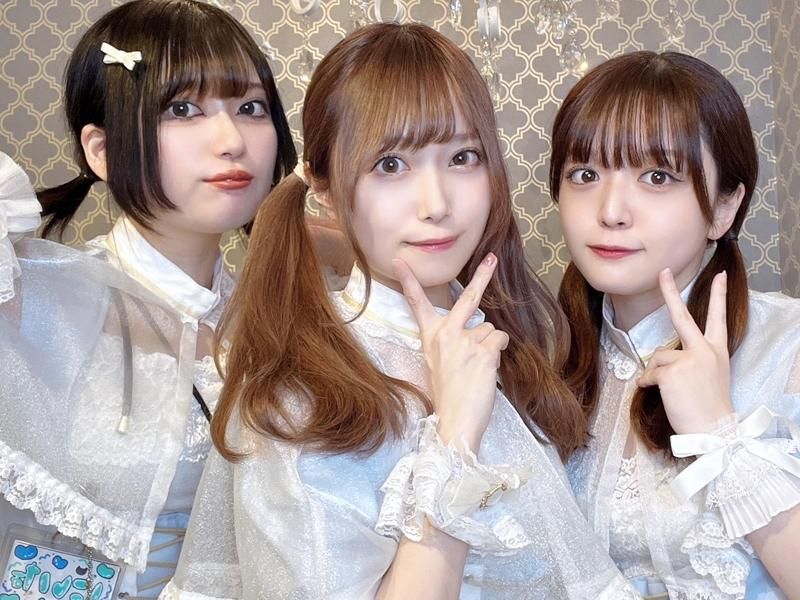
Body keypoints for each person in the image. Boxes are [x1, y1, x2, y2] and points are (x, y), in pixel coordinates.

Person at [162, 22, 636, 600]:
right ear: (325, 188)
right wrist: (455, 441)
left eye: (463, 157)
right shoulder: (298, 393)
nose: (436, 205)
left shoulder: (511, 342)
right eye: (390, 165)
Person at [0, 0, 296, 597]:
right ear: (102, 151)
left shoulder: (289, 322)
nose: (231, 140)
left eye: (250, 107)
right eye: (182, 109)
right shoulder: (30, 298)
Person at [552, 50, 800, 599]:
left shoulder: (787, 346)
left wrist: (719, 431)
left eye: (657, 176)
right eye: (585, 174)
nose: (611, 211)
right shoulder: (543, 364)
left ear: (724, 208)